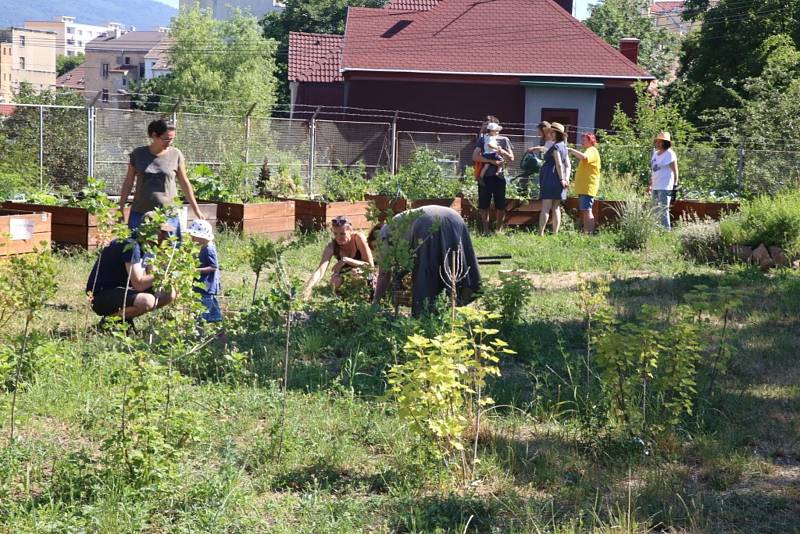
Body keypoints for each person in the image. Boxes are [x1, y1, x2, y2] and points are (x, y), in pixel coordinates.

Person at [371, 205, 481, 317]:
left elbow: (384, 274)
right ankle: (450, 311)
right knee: (452, 264)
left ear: (374, 238)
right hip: (454, 217)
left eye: (374, 249)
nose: (377, 255)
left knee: (425, 274)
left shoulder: (382, 236)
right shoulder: (396, 224)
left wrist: (375, 303)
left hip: (426, 223)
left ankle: (425, 317)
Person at [119, 119, 204, 237]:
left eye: (172, 139)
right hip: (140, 213)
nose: (169, 142)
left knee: (167, 251)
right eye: (166, 139)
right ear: (154, 135)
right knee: (136, 250)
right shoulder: (138, 154)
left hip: (168, 214)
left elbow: (184, 183)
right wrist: (121, 206)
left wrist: (196, 210)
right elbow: (128, 182)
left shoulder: (176, 154)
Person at [86, 216, 176, 324]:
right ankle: (109, 322)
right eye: (162, 232)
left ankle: (125, 319)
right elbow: (139, 284)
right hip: (101, 295)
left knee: (168, 293)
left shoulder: (149, 246)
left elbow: (151, 276)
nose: (166, 236)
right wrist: (163, 274)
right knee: (147, 301)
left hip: (122, 290)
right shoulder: (132, 245)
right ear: (149, 230)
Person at [302, 215, 375, 298]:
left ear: (350, 231)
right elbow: (320, 271)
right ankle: (344, 296)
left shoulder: (358, 238)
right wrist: (307, 289)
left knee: (355, 274)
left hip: (365, 273)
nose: (338, 238)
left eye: (342, 234)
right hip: (346, 274)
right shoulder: (332, 246)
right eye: (335, 234)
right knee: (334, 281)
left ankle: (363, 296)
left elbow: (370, 266)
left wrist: (346, 260)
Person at [473, 122, 514, 233]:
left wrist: (502, 152)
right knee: (483, 204)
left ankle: (498, 230)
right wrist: (492, 161)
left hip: (499, 177)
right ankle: (485, 230)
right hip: (485, 177)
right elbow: (475, 156)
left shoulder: (504, 140)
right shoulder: (483, 139)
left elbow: (511, 158)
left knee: (500, 204)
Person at [537, 122, 570, 236]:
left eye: (551, 132)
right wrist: (566, 178)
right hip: (560, 178)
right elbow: (567, 165)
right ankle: (555, 233)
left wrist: (561, 179)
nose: (549, 134)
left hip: (551, 177)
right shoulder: (564, 147)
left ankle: (540, 233)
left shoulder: (555, 147)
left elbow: (559, 164)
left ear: (556, 134)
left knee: (546, 207)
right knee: (556, 207)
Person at [187, 220, 222, 322]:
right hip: (202, 285)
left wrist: (196, 270)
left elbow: (213, 266)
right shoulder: (203, 247)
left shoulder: (209, 249)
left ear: (202, 237)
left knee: (202, 313)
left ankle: (199, 335)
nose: (192, 238)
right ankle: (221, 335)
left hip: (206, 286)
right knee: (215, 315)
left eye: (194, 236)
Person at [568, 133, 602, 234]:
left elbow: (584, 157)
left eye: (584, 140)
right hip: (585, 187)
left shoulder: (591, 150)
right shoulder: (590, 150)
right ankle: (587, 232)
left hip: (588, 187)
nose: (581, 142)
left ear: (591, 141)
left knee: (587, 210)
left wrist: (571, 150)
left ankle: (589, 233)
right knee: (586, 210)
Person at [649, 131, 679, 230]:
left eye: (659, 141)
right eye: (657, 141)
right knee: (654, 209)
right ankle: (655, 229)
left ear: (665, 143)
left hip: (665, 186)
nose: (657, 143)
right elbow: (653, 170)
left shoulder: (670, 154)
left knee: (663, 209)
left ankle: (666, 231)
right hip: (656, 185)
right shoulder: (655, 153)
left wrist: (675, 185)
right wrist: (650, 183)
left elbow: (675, 170)